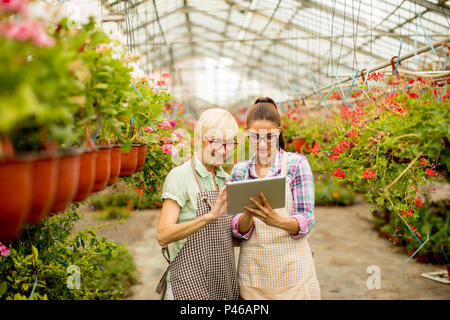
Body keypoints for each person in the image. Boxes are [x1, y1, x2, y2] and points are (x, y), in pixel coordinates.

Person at [231, 97, 321, 300]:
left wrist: (277, 221)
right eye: (255, 137)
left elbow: (306, 219)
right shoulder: (240, 172)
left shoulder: (296, 165)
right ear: (247, 134)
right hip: (254, 274)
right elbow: (237, 231)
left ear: (279, 131)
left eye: (269, 137)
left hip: (293, 271)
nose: (262, 144)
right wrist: (248, 213)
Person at [157, 108, 241, 300]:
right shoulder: (180, 176)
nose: (223, 150)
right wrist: (208, 218)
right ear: (199, 138)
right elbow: (163, 235)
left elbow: (229, 238)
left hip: (222, 284)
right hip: (188, 284)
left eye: (229, 143)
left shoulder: (227, 180)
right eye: (216, 141)